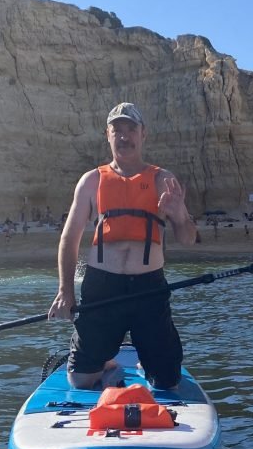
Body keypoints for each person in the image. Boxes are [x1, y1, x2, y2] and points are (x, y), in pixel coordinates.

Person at [48, 102, 196, 390]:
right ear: (108, 135)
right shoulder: (91, 181)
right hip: (102, 286)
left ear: (144, 135)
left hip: (149, 289)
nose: (124, 136)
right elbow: (69, 238)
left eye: (131, 129)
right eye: (118, 130)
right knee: (79, 380)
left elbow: (188, 238)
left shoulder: (163, 179)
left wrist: (179, 214)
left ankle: (148, 361)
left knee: (167, 382)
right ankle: (106, 362)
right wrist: (65, 290)